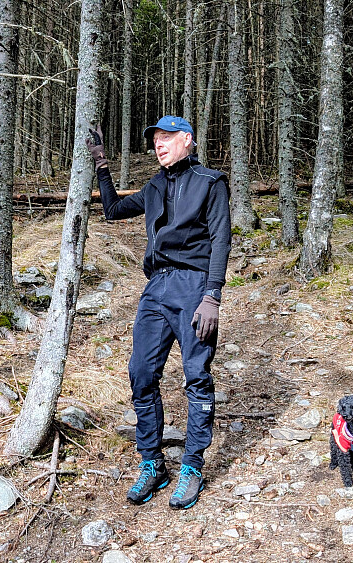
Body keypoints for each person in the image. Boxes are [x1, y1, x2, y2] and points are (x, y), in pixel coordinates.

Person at [86, 115, 231, 510]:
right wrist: (101, 163)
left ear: (188, 140)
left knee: (196, 375)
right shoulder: (154, 186)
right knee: (141, 373)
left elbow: (221, 239)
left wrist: (212, 297)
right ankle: (153, 463)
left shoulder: (210, 184)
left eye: (166, 137)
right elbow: (113, 210)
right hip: (156, 287)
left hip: (194, 286)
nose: (158, 144)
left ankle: (192, 467)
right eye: (154, 139)